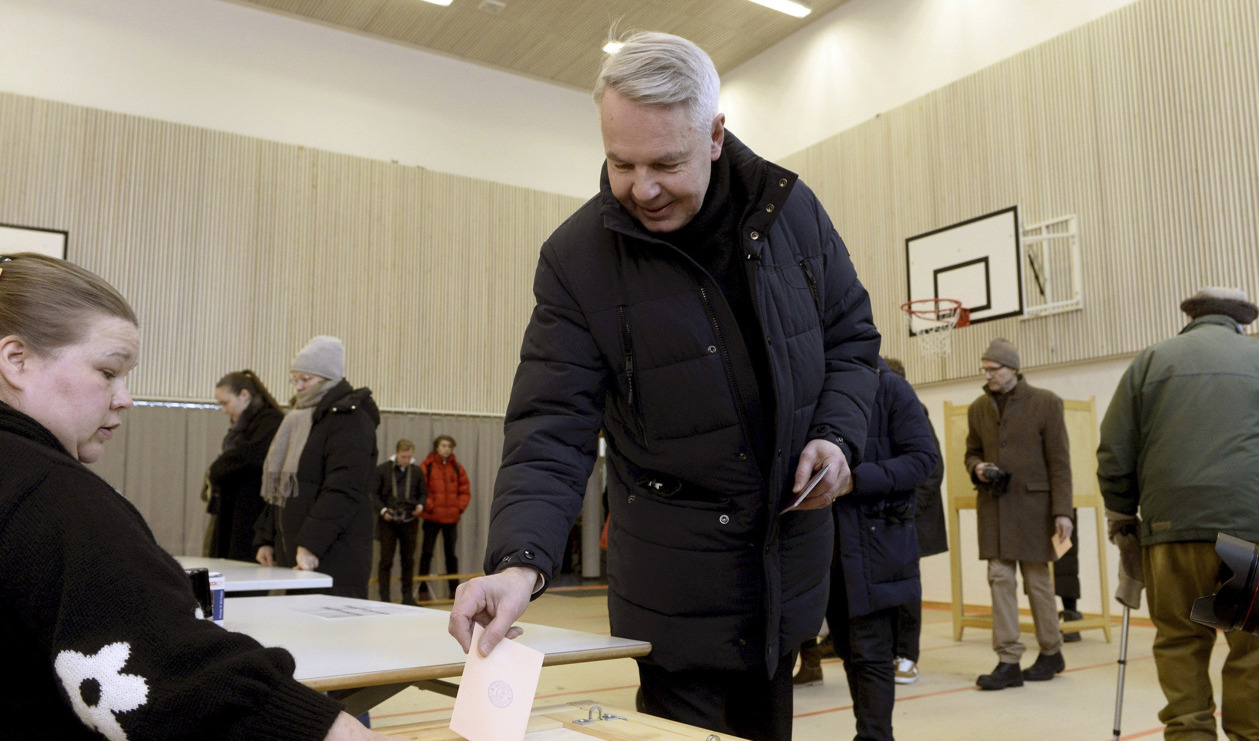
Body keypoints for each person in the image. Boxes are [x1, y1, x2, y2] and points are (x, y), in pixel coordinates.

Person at [447, 32, 880, 741]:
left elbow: (851, 340)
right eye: (621, 163)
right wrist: (520, 563)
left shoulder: (791, 211)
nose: (641, 189)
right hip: (673, 589)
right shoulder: (576, 260)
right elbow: (550, 426)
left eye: (665, 164)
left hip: (784, 571)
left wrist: (836, 436)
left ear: (714, 136)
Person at [0, 253, 383, 740]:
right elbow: (183, 681)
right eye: (108, 371)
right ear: (17, 360)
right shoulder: (54, 497)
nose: (125, 398)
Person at [1097, 287, 1259, 740]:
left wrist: (1121, 516)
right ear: (1241, 322)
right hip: (1249, 531)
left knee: (1181, 641)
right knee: (1252, 646)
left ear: (1191, 317)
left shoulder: (1152, 360)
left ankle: (1189, 732)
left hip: (1171, 531)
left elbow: (1115, 449)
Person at [825, 357, 937, 739]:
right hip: (829, 546)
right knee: (847, 650)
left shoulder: (891, 389)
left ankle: (875, 736)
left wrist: (856, 481)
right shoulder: (822, 389)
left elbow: (923, 460)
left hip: (876, 544)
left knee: (870, 653)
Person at [965, 337, 1073, 690]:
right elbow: (971, 451)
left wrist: (1063, 512)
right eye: (984, 369)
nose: (987, 375)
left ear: (1012, 368)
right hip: (994, 507)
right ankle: (1008, 659)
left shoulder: (1046, 402)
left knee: (1037, 581)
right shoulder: (978, 408)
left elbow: (1060, 462)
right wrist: (977, 467)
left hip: (1034, 510)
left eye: (993, 369)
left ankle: (1051, 651)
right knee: (999, 578)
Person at [254, 335, 380, 599]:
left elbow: (344, 489)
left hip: (334, 553)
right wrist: (266, 538)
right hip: (295, 550)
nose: (298, 387)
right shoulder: (298, 419)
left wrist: (311, 545)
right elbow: (281, 490)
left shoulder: (350, 419)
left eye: (306, 379)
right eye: (294, 379)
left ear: (328, 377)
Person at [885, 357, 947, 685]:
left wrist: (909, 508)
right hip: (887, 519)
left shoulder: (915, 411)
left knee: (907, 590)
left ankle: (907, 656)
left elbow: (931, 468)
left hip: (910, 518)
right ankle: (889, 651)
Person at [206, 369, 284, 561]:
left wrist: (217, 469)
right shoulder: (242, 428)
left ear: (244, 395)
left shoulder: (270, 421)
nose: (224, 410)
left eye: (225, 403)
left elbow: (248, 459)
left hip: (252, 515)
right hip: (232, 511)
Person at [373, 439, 427, 604]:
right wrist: (383, 511)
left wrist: (420, 506)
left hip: (410, 520)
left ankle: (407, 597)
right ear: (396, 453)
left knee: (408, 561)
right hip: (388, 521)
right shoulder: (383, 469)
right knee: (386, 561)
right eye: (403, 457)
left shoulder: (416, 471)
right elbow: (373, 494)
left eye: (409, 457)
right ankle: (385, 598)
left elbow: (423, 493)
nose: (406, 460)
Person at [417, 434, 470, 599]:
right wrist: (431, 506)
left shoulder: (457, 467)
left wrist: (458, 508)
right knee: (426, 553)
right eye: (443, 446)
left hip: (451, 519)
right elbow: (420, 489)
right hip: (431, 518)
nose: (447, 449)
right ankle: (422, 590)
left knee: (451, 555)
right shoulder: (427, 466)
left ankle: (454, 591)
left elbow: (465, 491)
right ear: (437, 448)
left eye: (449, 446)